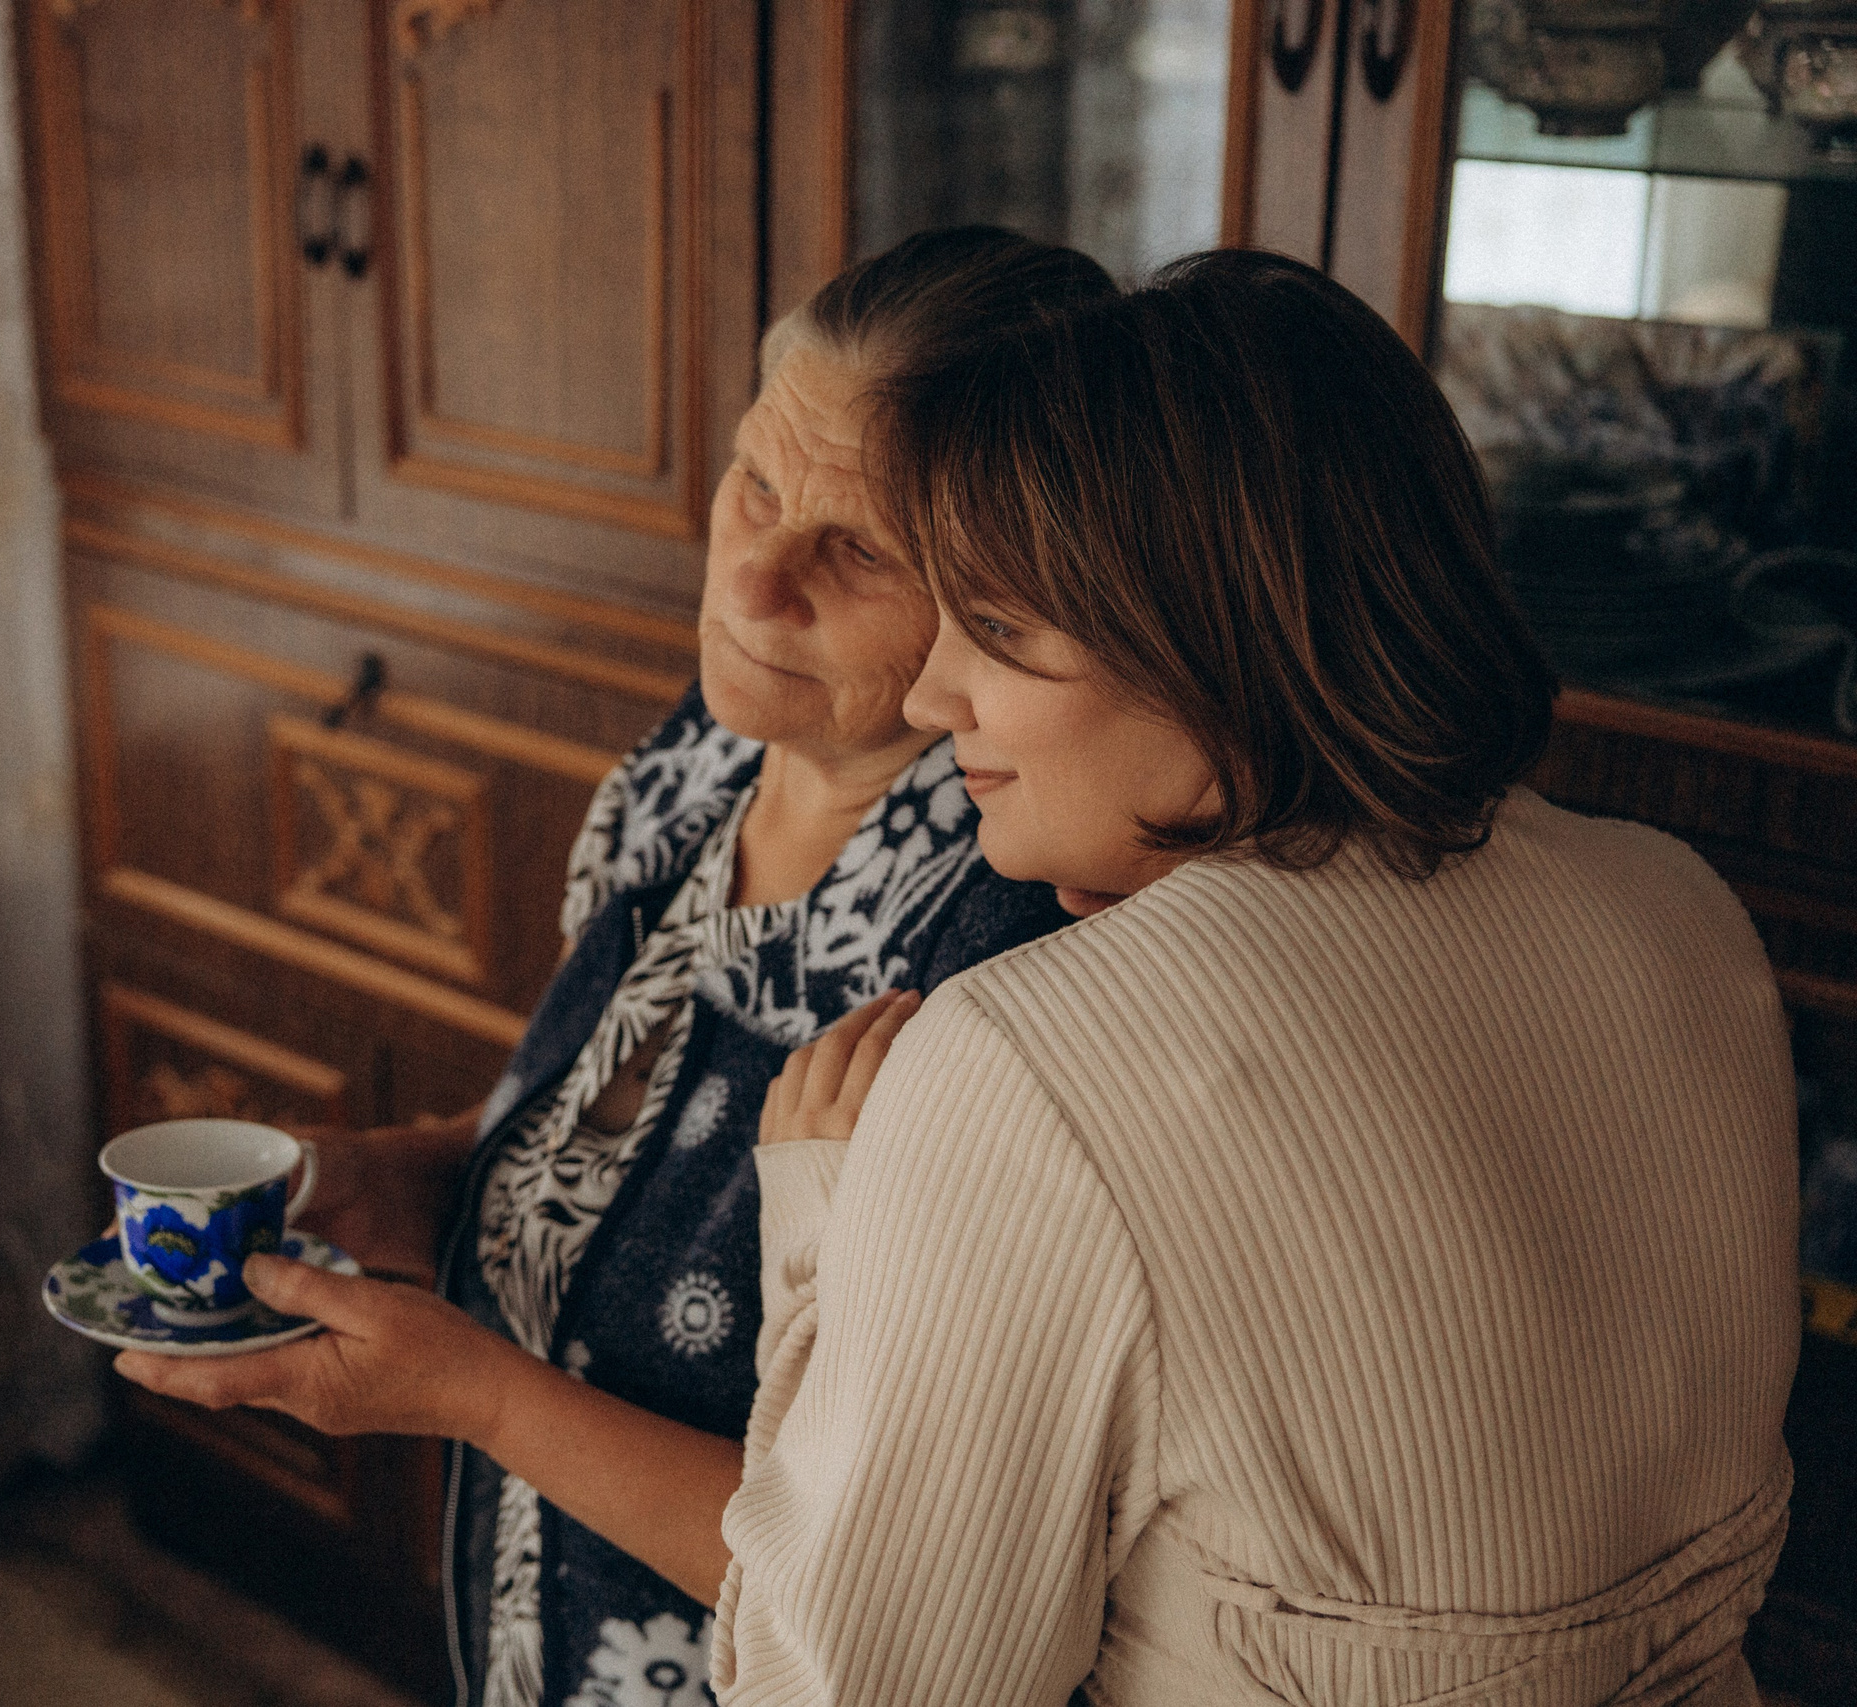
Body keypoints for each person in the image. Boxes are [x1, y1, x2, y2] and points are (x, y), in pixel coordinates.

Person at [722, 249, 1800, 1706]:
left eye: (1001, 632)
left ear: (1204, 637)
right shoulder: (1683, 910)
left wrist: (825, 1221)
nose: (930, 697)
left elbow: (843, 1685)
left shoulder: (1021, 1067)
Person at [111, 228, 1117, 1707]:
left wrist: (465, 1388)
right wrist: (431, 1173)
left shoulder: (998, 952)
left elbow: (878, 1575)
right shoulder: (708, 754)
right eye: (756, 485)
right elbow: (610, 1132)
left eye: (859, 551)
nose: (754, 581)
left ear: (1011, 602)